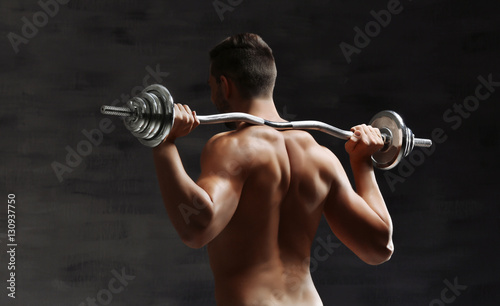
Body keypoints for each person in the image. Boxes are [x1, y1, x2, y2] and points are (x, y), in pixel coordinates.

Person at [152, 33, 394, 306]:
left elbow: (196, 227)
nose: (211, 95)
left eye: (212, 86)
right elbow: (379, 247)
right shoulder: (320, 156)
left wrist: (163, 145)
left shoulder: (231, 147)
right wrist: (362, 163)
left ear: (224, 85)